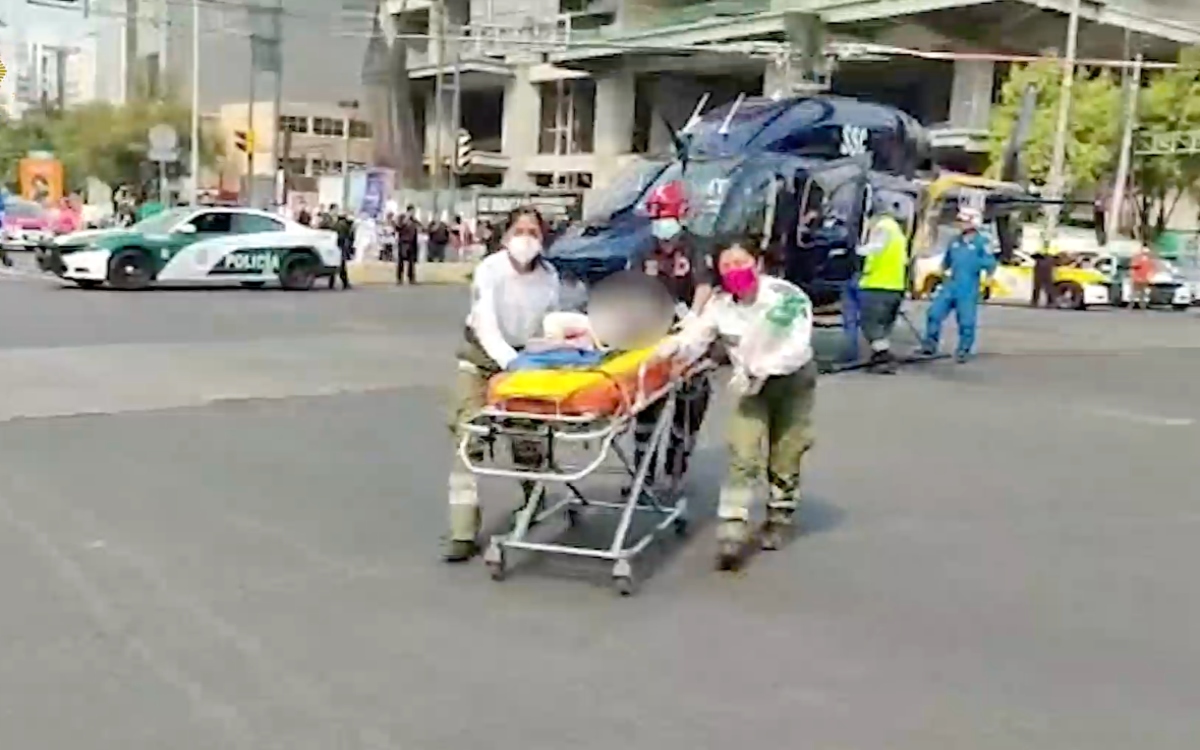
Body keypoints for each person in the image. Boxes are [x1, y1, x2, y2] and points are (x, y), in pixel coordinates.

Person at [657, 239, 817, 569]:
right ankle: (732, 529)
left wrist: (759, 370)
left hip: (791, 382)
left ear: (757, 264)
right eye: (726, 266)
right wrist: (669, 351)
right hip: (750, 387)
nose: (734, 272)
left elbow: (796, 349)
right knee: (743, 452)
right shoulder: (721, 305)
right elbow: (696, 337)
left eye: (740, 263)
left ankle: (779, 517)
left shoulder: (787, 299)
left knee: (786, 452)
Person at [444, 206, 561, 562]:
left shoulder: (549, 275)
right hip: (482, 359)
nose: (526, 239)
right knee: (470, 437)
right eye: (520, 231)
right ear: (506, 235)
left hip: (525, 362)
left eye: (534, 232)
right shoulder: (490, 270)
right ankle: (462, 532)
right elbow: (486, 324)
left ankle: (535, 497)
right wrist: (510, 362)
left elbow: (549, 322)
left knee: (528, 438)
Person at [630, 180, 714, 493]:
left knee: (689, 408)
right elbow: (634, 287)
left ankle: (676, 470)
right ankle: (642, 475)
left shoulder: (697, 248)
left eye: (665, 216)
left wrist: (693, 318)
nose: (661, 225)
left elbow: (704, 286)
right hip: (652, 333)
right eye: (657, 217)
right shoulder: (643, 249)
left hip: (690, 334)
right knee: (647, 407)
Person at [921, 207, 996, 363]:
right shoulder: (954, 241)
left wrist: (987, 282)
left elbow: (991, 264)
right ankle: (930, 345)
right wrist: (937, 276)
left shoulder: (983, 242)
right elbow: (946, 262)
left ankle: (963, 349)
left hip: (968, 287)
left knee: (966, 321)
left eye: (964, 221)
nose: (960, 224)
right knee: (934, 314)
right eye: (960, 221)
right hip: (951, 285)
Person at [855, 198, 910, 374]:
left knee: (870, 324)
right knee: (884, 325)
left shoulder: (882, 227)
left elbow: (875, 248)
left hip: (876, 285)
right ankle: (879, 357)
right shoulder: (898, 233)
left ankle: (884, 357)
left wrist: (856, 251)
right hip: (895, 286)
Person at [396, 205, 420, 284]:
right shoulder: (402, 217)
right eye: (412, 211)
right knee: (401, 261)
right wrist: (407, 217)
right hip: (403, 242)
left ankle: (411, 278)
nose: (413, 213)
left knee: (411, 261)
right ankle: (399, 278)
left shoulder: (414, 220)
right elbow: (399, 226)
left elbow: (420, 226)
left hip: (412, 242)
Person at [330, 210, 354, 290]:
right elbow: (348, 235)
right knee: (342, 265)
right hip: (342, 245)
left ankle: (331, 283)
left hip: (335, 245)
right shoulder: (344, 225)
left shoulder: (335, 224)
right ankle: (345, 283)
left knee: (334, 264)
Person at [1031, 240, 1058, 307]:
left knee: (1048, 289)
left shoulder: (1051, 256)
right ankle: (1035, 302)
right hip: (1041, 274)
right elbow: (1032, 256)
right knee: (1038, 289)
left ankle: (1049, 302)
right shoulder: (1041, 256)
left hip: (1046, 274)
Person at [1130, 244, 1156, 309]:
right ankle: (1135, 304)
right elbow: (1134, 266)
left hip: (1142, 279)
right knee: (1138, 293)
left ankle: (1139, 305)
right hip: (1139, 278)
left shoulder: (1143, 258)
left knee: (1140, 293)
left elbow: (1133, 266)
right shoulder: (1144, 258)